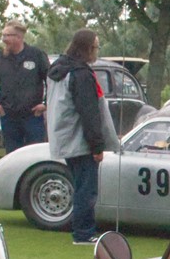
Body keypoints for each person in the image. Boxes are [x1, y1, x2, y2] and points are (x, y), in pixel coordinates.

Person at [46, 29, 119, 245]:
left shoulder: (58, 69)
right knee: (86, 189)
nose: (97, 51)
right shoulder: (81, 74)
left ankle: (82, 230)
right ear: (87, 48)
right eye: (96, 47)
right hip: (80, 140)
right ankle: (84, 233)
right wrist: (97, 145)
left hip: (63, 136)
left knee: (80, 185)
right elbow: (89, 112)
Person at [0, 19, 49, 151]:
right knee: (12, 156)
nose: (4, 39)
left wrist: (45, 104)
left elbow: (52, 81)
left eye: (7, 35)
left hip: (32, 116)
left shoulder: (36, 55)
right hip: (9, 117)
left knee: (35, 153)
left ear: (18, 37)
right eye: (3, 35)